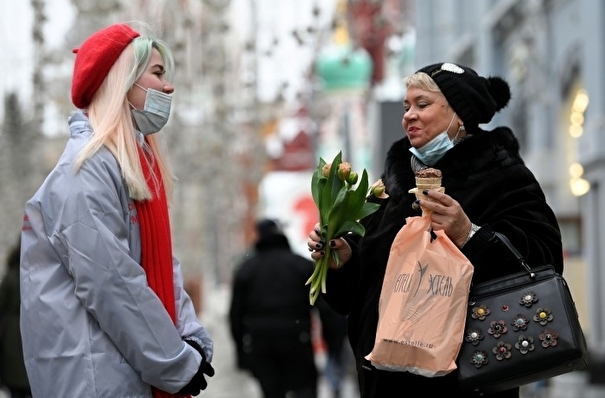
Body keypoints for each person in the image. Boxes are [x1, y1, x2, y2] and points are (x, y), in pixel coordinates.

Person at [307, 62, 563, 398]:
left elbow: (544, 262)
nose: (409, 115)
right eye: (406, 106)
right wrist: (344, 261)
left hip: (468, 381)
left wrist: (470, 234)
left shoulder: (503, 177)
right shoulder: (391, 188)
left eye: (422, 104)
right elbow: (354, 298)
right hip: (386, 381)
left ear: (461, 113)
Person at [19, 23, 214, 398]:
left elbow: (158, 265)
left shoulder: (123, 167)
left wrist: (188, 333)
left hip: (118, 375)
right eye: (157, 73)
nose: (168, 87)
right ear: (122, 83)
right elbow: (113, 284)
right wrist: (174, 361)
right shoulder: (84, 171)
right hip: (95, 381)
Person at [229, 219, 318, 398]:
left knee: (271, 391)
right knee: (304, 389)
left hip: (261, 341)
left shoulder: (247, 269)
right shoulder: (301, 265)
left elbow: (235, 314)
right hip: (296, 336)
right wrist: (334, 344)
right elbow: (324, 306)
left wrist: (241, 353)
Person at [0, 238, 31, 398]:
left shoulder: (12, 276)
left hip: (13, 335)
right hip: (31, 330)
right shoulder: (36, 277)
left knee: (16, 385)